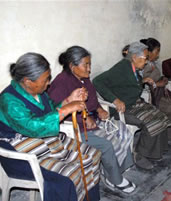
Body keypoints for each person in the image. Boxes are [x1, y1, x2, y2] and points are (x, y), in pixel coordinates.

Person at [0, 52, 101, 201]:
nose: (48, 83)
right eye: (45, 80)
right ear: (28, 81)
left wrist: (69, 100)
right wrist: (65, 110)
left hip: (45, 139)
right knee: (68, 176)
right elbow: (32, 127)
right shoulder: (9, 100)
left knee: (93, 155)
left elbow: (51, 111)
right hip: (20, 151)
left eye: (48, 78)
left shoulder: (39, 92)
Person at [48, 46, 137, 193]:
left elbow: (93, 101)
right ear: (72, 66)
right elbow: (57, 112)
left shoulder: (84, 79)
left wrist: (99, 109)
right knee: (107, 144)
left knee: (122, 130)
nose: (89, 69)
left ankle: (116, 170)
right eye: (86, 65)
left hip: (93, 121)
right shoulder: (61, 83)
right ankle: (114, 180)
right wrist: (86, 117)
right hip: (75, 129)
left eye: (90, 64)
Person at [93, 41, 171, 170]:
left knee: (160, 116)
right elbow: (97, 81)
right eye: (145, 58)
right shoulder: (122, 67)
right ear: (134, 57)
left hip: (134, 103)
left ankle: (155, 152)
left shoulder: (133, 67)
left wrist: (143, 81)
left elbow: (129, 83)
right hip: (122, 109)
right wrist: (115, 100)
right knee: (149, 122)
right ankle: (140, 155)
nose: (146, 61)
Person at [140, 38, 171, 141]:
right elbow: (142, 83)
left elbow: (156, 77)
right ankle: (169, 134)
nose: (157, 55)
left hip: (160, 93)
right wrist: (158, 84)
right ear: (148, 51)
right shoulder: (142, 65)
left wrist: (163, 79)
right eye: (156, 52)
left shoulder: (153, 63)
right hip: (152, 97)